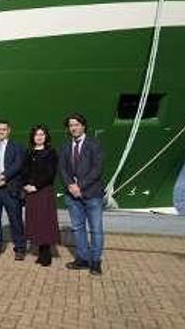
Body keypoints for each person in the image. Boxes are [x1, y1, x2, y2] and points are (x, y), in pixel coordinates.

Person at [58, 113, 105, 275]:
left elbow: (97, 169)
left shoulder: (94, 144)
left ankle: (96, 262)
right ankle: (83, 259)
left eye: (76, 124)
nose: (74, 128)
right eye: (71, 125)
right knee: (78, 228)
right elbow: (62, 169)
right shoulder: (65, 147)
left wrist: (80, 186)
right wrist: (71, 185)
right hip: (72, 195)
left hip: (92, 194)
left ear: (83, 126)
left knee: (96, 229)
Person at [0, 120, 27, 260]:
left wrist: (3, 177)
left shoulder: (17, 147)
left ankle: (19, 248)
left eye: (4, 129)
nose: (1, 131)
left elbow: (18, 164)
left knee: (15, 219)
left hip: (10, 187)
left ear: (9, 131)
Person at [22, 125, 60, 267]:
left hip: (43, 191)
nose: (39, 137)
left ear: (46, 137)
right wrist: (25, 184)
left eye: (42, 134)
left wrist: (36, 186)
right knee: (35, 220)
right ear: (33, 137)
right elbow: (24, 170)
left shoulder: (50, 152)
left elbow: (50, 173)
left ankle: (46, 254)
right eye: (37, 134)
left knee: (45, 221)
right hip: (31, 192)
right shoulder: (29, 152)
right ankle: (40, 250)